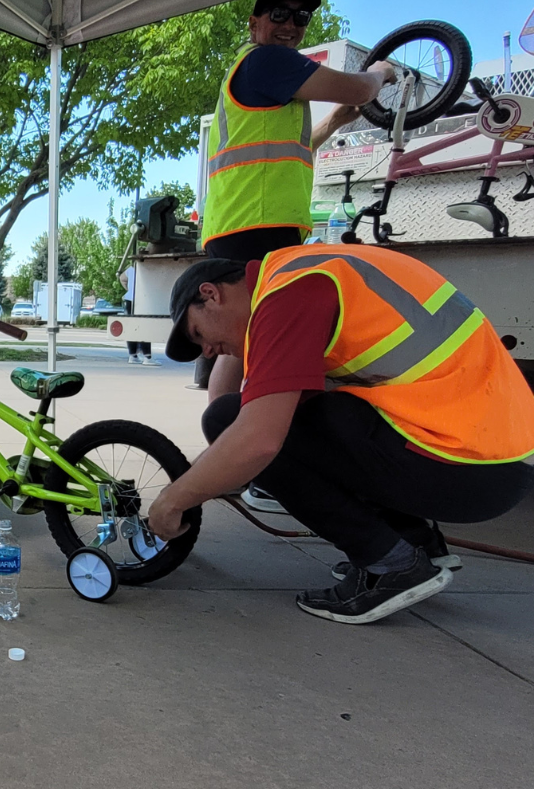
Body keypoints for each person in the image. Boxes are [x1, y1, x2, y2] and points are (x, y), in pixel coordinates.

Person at [151, 245, 534, 624]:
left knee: (231, 419)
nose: (207, 351)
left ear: (211, 294)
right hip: (492, 455)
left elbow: (257, 439)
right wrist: (198, 478)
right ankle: (417, 545)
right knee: (300, 414)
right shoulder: (307, 271)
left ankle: (391, 563)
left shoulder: (289, 293)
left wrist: (173, 500)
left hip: (471, 465)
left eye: (199, 333)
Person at [200, 0, 397, 403]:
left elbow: (291, 150)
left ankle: (227, 434)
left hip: (239, 222)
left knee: (244, 338)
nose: (290, 24)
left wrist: (335, 123)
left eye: (301, 17)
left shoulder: (256, 74)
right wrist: (380, 72)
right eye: (279, 14)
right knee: (265, 337)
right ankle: (240, 438)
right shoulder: (268, 61)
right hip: (258, 223)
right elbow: (361, 87)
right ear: (255, 23)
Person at [119, 265, 157, 365]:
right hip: (143, 299)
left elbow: (122, 278)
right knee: (144, 327)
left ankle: (133, 355)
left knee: (131, 328)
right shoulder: (148, 269)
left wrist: (128, 289)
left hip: (129, 300)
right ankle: (147, 356)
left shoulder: (130, 269)